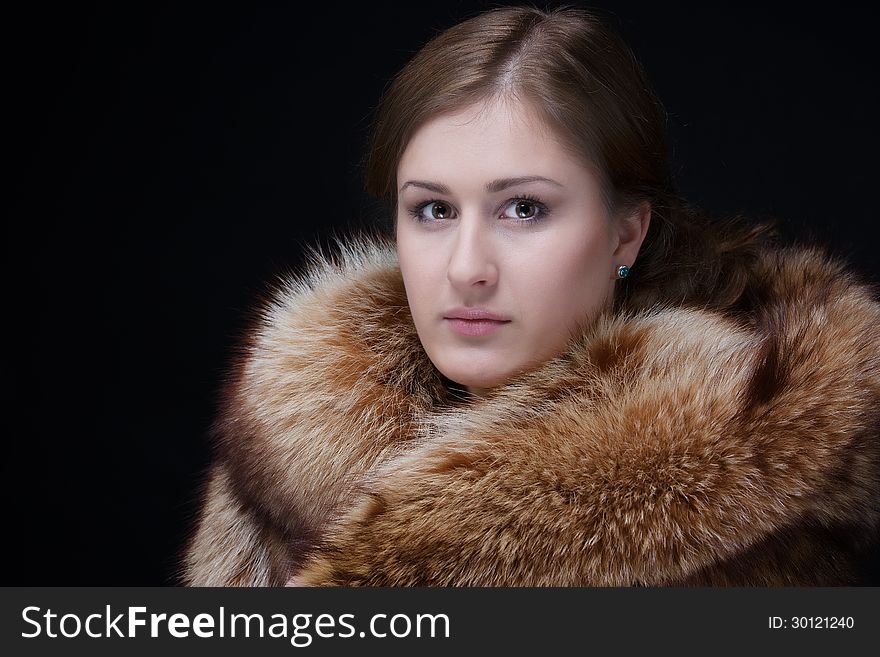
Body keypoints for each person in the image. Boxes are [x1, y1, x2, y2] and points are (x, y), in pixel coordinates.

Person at [180, 5, 880, 586]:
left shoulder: (764, 487)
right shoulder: (289, 438)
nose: (466, 268)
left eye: (523, 209)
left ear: (625, 234)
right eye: (433, 210)